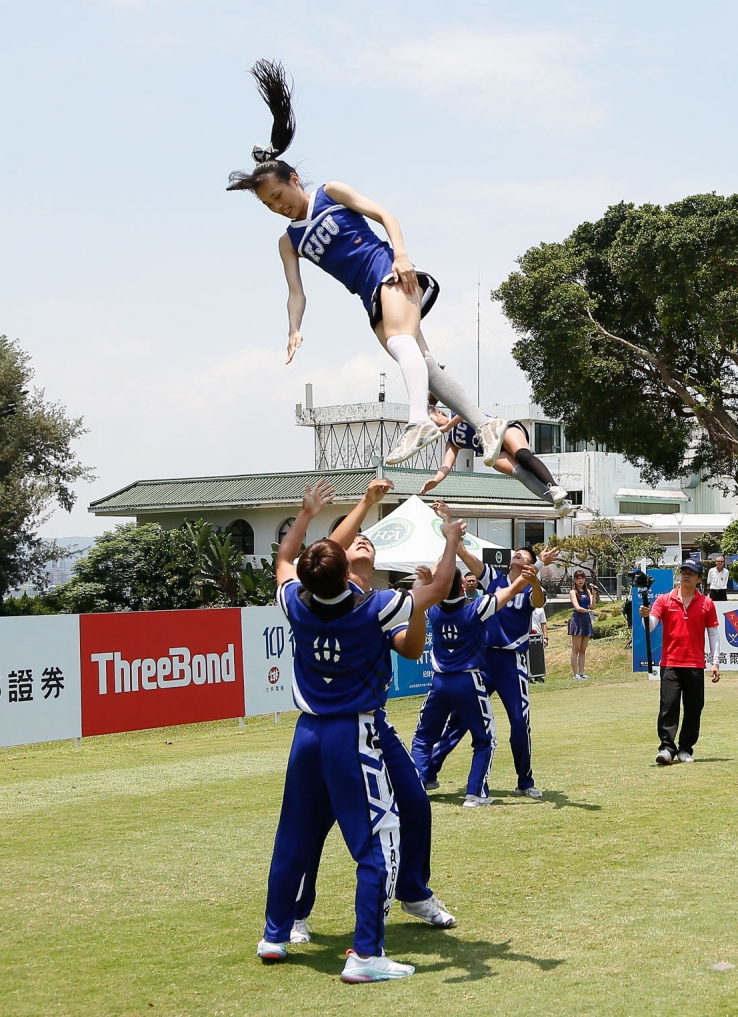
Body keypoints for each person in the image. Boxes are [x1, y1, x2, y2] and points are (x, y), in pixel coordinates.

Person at [226, 59, 502, 466]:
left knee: (399, 342)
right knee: (424, 366)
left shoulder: (331, 192)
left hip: (389, 272)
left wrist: (402, 255)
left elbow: (385, 215)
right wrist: (294, 328)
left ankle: (418, 422)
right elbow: (296, 293)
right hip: (367, 295)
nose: (278, 207)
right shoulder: (289, 241)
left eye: (279, 196)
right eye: (269, 206)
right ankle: (485, 424)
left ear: (295, 181)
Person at [255, 480, 464, 983]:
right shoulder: (375, 605)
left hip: (310, 732)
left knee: (295, 833)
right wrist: (451, 540)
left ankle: (276, 932)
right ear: (346, 566)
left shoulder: (296, 601)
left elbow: (290, 558)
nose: (360, 541)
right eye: (351, 544)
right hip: (354, 732)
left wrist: (311, 514)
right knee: (377, 840)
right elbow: (435, 593)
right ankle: (366, 953)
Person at [424, 543, 561, 797]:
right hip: (484, 661)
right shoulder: (494, 579)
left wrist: (535, 580)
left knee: (520, 723)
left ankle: (525, 781)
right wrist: (450, 529)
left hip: (512, 663)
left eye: (524, 555)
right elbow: (465, 554)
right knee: (459, 719)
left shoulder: (529, 584)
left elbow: (539, 601)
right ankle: (429, 772)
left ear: (530, 563)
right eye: (516, 553)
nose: (517, 555)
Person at [410, 562, 534, 806]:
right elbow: (512, 590)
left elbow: (416, 593)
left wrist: (428, 581)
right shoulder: (475, 607)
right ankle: (475, 793)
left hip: (439, 682)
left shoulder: (432, 609)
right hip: (469, 681)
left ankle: (418, 784)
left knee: (423, 737)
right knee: (484, 739)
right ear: (461, 586)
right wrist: (532, 571)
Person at [418, 398, 572, 515]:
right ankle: (559, 503)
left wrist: (447, 426)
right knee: (521, 474)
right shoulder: (453, 441)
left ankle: (555, 487)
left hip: (502, 431)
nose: (435, 427)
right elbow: (447, 464)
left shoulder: (454, 413)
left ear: (439, 412)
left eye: (433, 422)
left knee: (522, 455)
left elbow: (465, 409)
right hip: (493, 450)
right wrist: (436, 480)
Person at [639, 557, 722, 765]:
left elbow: (713, 635)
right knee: (669, 706)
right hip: (670, 663)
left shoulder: (706, 603)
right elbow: (650, 626)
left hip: (695, 664)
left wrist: (715, 662)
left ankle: (685, 748)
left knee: (694, 709)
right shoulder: (665, 600)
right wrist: (644, 616)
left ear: (699, 579)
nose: (686, 575)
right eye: (684, 571)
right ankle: (667, 748)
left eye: (691, 573)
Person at [568, 570, 596, 681]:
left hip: (586, 620)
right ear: (575, 580)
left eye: (582, 578)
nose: (581, 580)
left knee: (583, 649)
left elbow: (593, 607)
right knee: (576, 649)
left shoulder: (588, 591)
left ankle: (582, 672)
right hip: (577, 620)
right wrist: (588, 610)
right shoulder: (573, 592)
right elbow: (577, 607)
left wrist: (594, 594)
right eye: (578, 578)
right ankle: (575, 674)